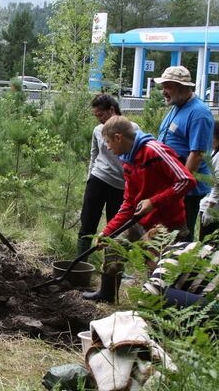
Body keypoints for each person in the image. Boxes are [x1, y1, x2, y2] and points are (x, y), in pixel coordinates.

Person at [83, 116, 196, 303]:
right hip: (141, 220)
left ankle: (158, 304)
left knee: (159, 269)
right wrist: (106, 232)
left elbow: (186, 180)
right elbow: (129, 203)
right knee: (113, 244)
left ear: (118, 137)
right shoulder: (127, 161)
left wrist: (153, 201)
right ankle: (107, 293)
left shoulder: (154, 151)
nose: (108, 147)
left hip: (166, 224)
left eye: (108, 142)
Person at [155, 66, 215, 241]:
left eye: (168, 87)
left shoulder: (199, 113)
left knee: (180, 235)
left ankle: (183, 268)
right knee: (165, 235)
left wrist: (179, 189)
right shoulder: (176, 106)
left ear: (184, 87)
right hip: (170, 185)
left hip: (185, 190)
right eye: (163, 86)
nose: (164, 91)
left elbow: (197, 154)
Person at [142, 227, 219, 310]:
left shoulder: (172, 254)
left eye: (146, 262)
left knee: (159, 293)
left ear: (152, 253)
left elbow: (149, 291)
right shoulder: (185, 247)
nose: (149, 270)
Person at [77, 94, 129, 258]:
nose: (99, 119)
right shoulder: (98, 130)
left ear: (112, 110)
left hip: (120, 186)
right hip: (98, 180)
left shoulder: (130, 128)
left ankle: (112, 268)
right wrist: (89, 179)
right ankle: (80, 265)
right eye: (96, 116)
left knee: (116, 229)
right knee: (87, 224)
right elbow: (94, 155)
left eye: (101, 115)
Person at [199, 121, 219, 241]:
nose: (208, 139)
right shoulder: (216, 151)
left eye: (210, 137)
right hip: (210, 204)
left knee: (208, 244)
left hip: (214, 207)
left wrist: (209, 209)